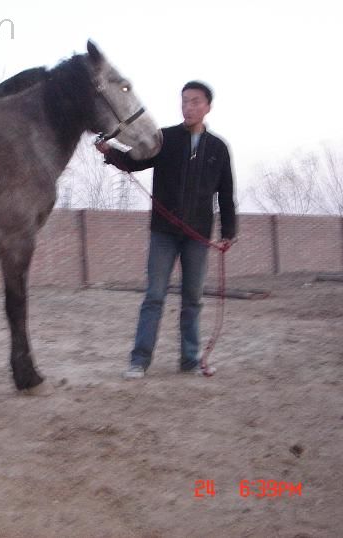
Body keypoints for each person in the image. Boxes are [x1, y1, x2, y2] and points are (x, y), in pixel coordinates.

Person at [96, 80, 237, 378]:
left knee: (193, 299)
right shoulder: (165, 139)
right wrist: (110, 151)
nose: (188, 106)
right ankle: (139, 361)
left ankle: (189, 360)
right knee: (154, 296)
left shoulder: (219, 148)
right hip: (164, 232)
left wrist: (228, 231)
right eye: (185, 101)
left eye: (195, 101)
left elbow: (225, 194)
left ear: (207, 106)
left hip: (198, 235)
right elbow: (135, 162)